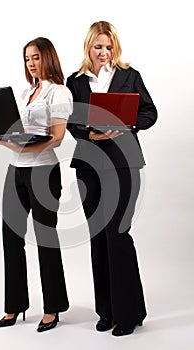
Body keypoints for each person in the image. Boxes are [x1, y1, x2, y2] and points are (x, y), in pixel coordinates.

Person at [66, 21, 157, 336]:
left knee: (117, 234)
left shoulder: (130, 76)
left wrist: (127, 126)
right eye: (98, 47)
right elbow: (70, 121)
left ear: (114, 48)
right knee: (97, 237)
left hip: (123, 164)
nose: (103, 52)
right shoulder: (75, 81)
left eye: (108, 47)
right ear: (88, 47)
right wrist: (87, 131)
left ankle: (128, 314)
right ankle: (106, 312)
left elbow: (149, 112)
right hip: (89, 166)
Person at [0, 37, 72, 332]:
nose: (31, 63)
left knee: (45, 238)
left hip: (43, 172)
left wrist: (22, 148)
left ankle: (53, 308)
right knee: (11, 239)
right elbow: (20, 131)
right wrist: (4, 138)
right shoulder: (24, 92)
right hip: (16, 170)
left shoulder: (59, 92)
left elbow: (57, 137)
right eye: (27, 59)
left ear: (47, 58)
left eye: (36, 57)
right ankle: (14, 307)